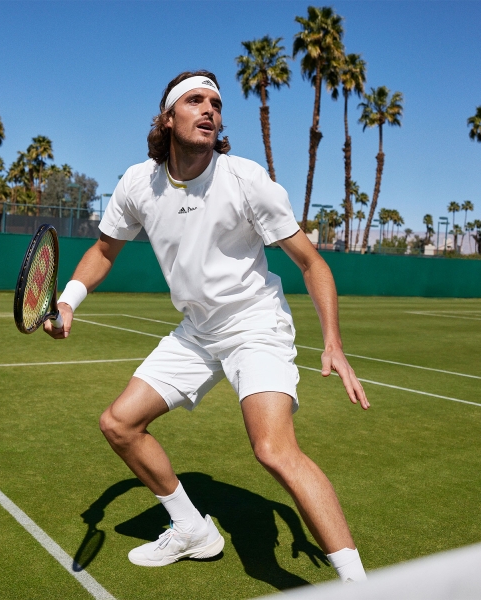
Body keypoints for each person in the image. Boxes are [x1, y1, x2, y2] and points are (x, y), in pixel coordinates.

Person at [44, 70, 369, 583]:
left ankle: (360, 587)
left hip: (255, 323)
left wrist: (333, 342)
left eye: (215, 102)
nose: (209, 109)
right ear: (168, 118)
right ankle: (193, 530)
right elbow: (104, 251)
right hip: (197, 330)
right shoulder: (138, 183)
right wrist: (67, 302)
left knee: (273, 449)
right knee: (119, 424)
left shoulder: (245, 179)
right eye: (195, 101)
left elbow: (312, 263)